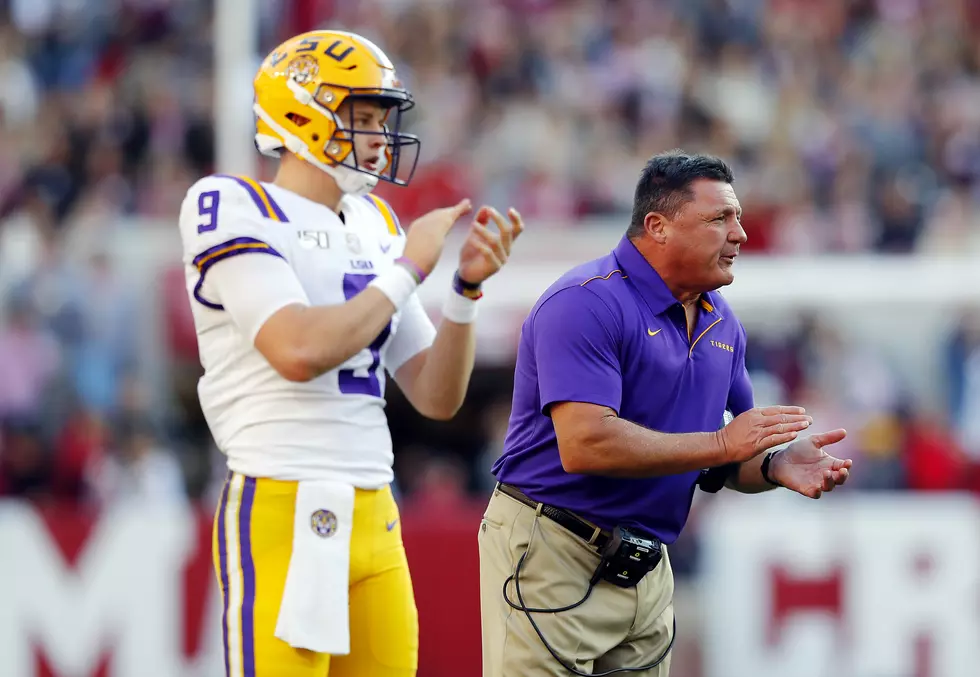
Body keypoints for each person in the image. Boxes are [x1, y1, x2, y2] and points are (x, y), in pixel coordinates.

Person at [176, 30, 523, 677]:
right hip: (281, 502)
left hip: (376, 507)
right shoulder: (230, 205)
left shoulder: (374, 223)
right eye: (361, 117)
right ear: (300, 112)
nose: (378, 137)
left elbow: (435, 393)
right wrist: (407, 270)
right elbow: (297, 348)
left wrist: (464, 290)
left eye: (380, 120)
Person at [479, 151, 851, 677]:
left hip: (646, 563)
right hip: (553, 547)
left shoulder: (723, 324)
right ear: (658, 226)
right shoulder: (585, 303)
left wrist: (773, 466)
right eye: (720, 218)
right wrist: (724, 446)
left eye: (737, 217)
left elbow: (722, 461)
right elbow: (586, 444)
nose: (740, 233)